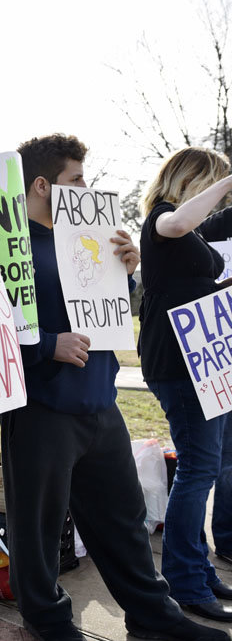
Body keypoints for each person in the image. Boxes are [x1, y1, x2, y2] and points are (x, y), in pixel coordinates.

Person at [1, 133, 227, 641]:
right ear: (42, 185)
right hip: (41, 408)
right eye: (76, 179)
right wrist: (46, 346)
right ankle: (48, 622)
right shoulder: (8, 247)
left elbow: (106, 313)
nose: (87, 188)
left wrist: (124, 271)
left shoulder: (89, 237)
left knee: (123, 520)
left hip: (101, 402)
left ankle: (154, 616)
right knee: (37, 529)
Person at [139, 146, 232, 622]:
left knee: (204, 467)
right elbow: (174, 224)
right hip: (178, 365)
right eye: (212, 185)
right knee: (197, 471)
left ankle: (197, 569)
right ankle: (186, 581)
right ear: (194, 181)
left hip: (202, 366)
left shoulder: (190, 230)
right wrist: (228, 180)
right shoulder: (163, 219)